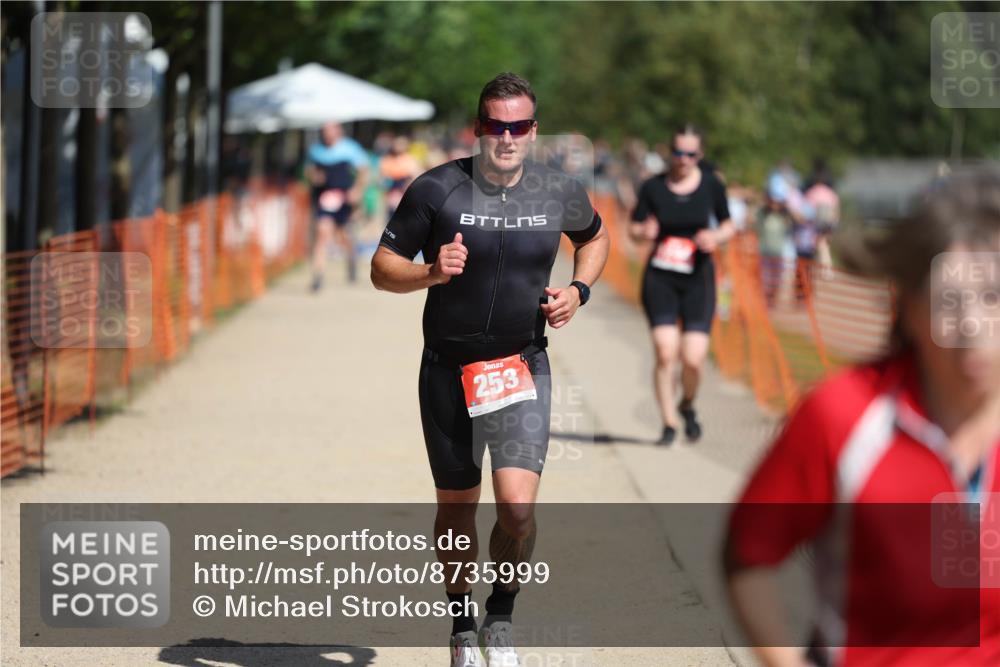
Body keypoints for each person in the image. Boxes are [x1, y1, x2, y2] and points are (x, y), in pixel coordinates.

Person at [371, 72, 609, 667]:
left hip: (520, 365)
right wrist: (430, 272)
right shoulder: (436, 189)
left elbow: (596, 239)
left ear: (533, 130)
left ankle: (499, 618)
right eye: (496, 127)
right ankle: (461, 623)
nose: (506, 138)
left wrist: (578, 289)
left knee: (516, 509)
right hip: (447, 368)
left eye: (518, 127)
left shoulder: (559, 190)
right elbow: (381, 267)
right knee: (456, 507)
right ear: (478, 128)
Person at [725, 167, 1000, 666]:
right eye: (947, 301)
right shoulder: (844, 415)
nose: (972, 326)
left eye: (994, 297)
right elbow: (748, 557)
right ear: (909, 309)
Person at [629, 124, 735, 445]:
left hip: (698, 279)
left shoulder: (712, 186)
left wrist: (714, 236)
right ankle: (669, 423)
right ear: (670, 152)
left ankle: (687, 403)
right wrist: (642, 232)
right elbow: (634, 227)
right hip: (660, 277)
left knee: (693, 358)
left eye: (691, 154)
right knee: (665, 353)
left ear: (699, 155)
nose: (684, 159)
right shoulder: (653, 187)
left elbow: (728, 224)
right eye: (678, 152)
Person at [306, 121, 369, 291]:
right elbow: (309, 170)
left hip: (344, 200)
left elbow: (364, 171)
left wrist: (357, 190)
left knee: (342, 236)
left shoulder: (350, 148)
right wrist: (314, 176)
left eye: (331, 130)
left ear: (338, 131)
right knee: (322, 234)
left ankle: (351, 260)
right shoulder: (316, 150)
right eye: (325, 131)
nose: (327, 134)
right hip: (324, 199)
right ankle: (317, 276)